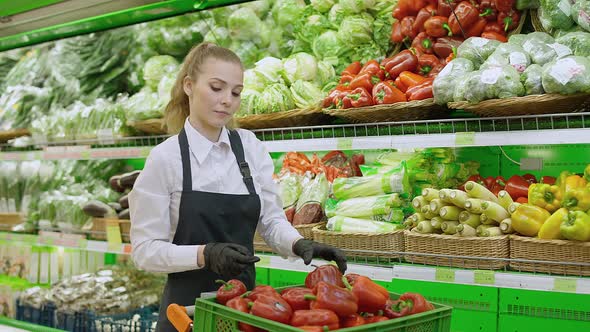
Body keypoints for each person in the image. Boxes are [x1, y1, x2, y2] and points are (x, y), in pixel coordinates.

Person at [129, 43, 347, 332]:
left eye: (235, 92)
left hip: (244, 311)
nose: (227, 101)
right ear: (189, 86)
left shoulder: (249, 148)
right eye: (216, 88)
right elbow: (145, 251)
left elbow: (270, 221)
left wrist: (299, 244)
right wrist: (204, 254)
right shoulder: (165, 159)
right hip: (183, 316)